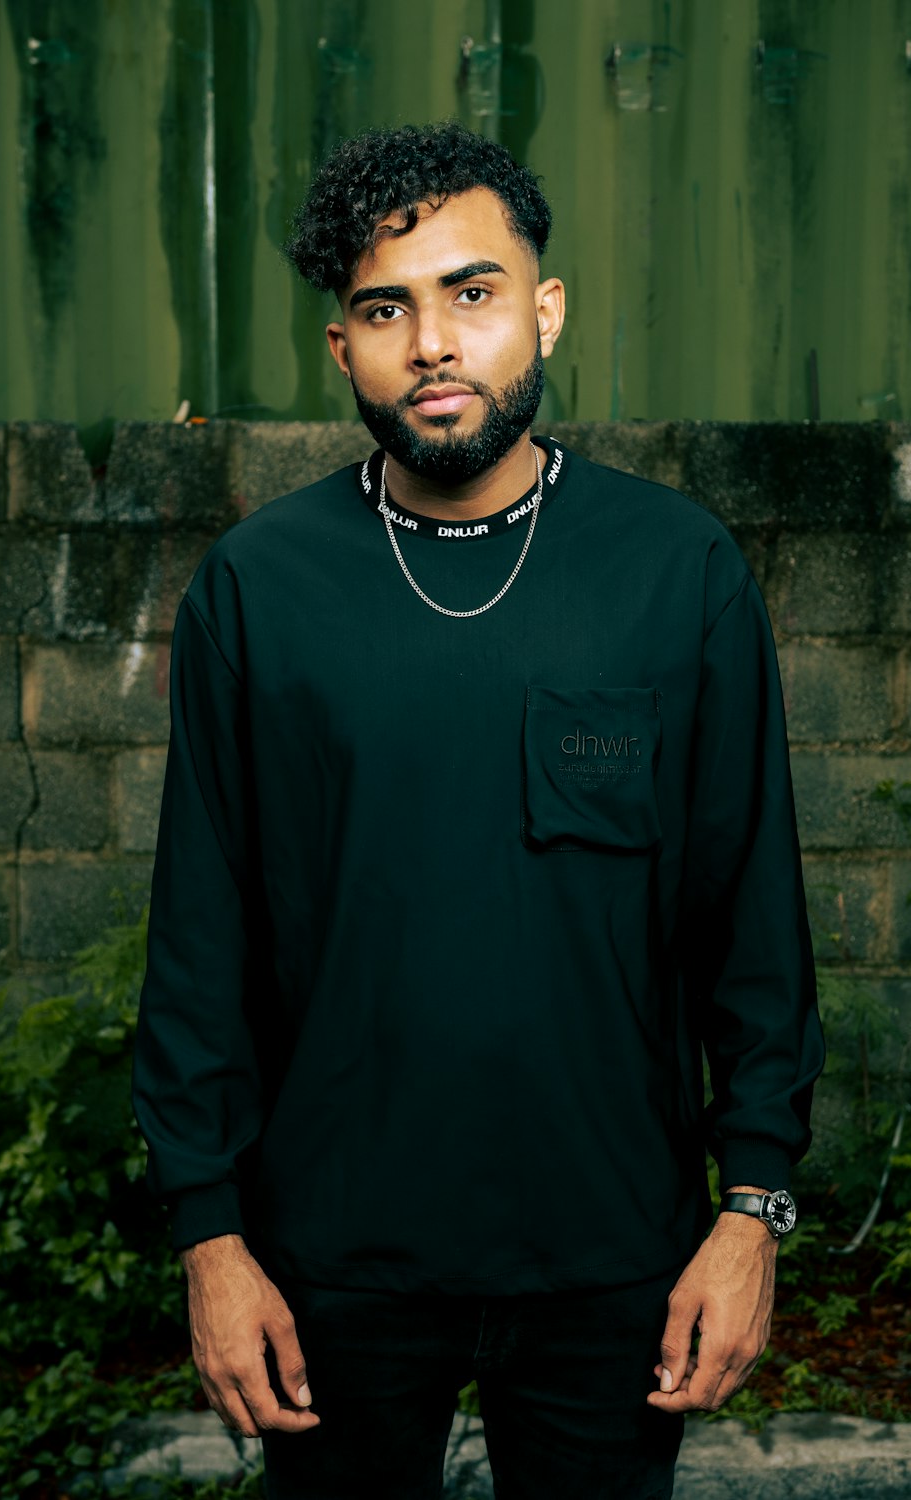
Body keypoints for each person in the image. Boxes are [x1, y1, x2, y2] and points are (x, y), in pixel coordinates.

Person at [132, 120, 825, 1500]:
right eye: (386, 309)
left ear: (543, 311)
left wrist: (750, 1212)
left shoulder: (672, 570)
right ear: (345, 348)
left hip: (610, 1256)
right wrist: (211, 1242)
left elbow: (751, 919)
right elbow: (199, 941)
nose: (432, 342)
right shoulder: (261, 592)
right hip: (336, 1263)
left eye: (473, 292)